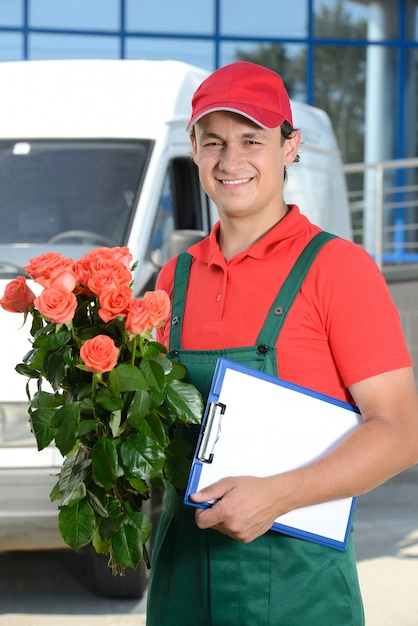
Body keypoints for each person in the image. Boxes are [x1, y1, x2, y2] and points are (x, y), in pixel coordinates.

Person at [146, 61, 418, 626]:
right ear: (193, 150)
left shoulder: (338, 270)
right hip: (182, 586)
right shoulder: (175, 279)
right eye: (213, 141)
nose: (231, 160)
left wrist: (280, 494)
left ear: (289, 147)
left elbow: (401, 431)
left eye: (252, 140)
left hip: (298, 589)